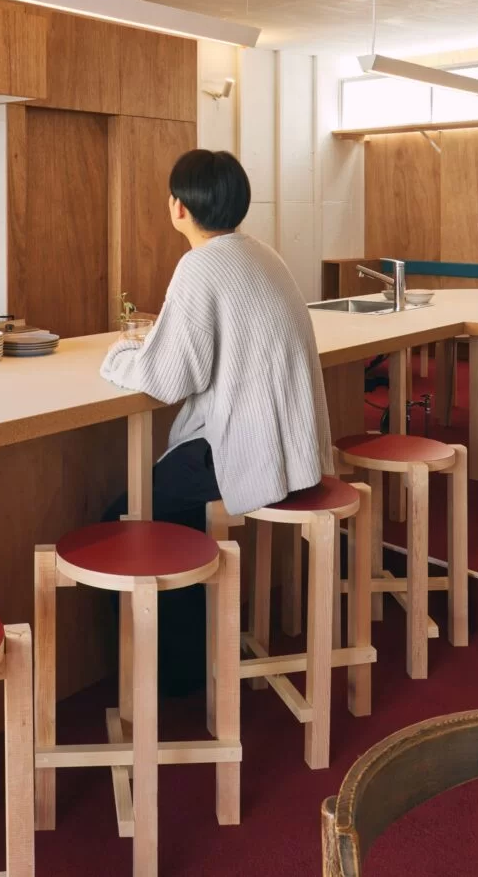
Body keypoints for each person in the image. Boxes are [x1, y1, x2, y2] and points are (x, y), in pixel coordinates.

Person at [99, 148, 332, 692]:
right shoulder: (262, 253)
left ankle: (168, 678)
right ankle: (196, 659)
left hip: (246, 447)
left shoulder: (199, 265)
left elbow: (167, 378)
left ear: (178, 206)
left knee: (122, 519)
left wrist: (118, 355)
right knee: (172, 515)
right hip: (293, 446)